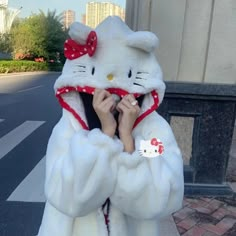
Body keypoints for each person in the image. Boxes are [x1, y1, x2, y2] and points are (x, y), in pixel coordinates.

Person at [37, 16, 184, 236]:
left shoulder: (154, 131)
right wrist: (104, 137)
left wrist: (128, 140)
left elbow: (163, 198)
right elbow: (66, 199)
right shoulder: (69, 126)